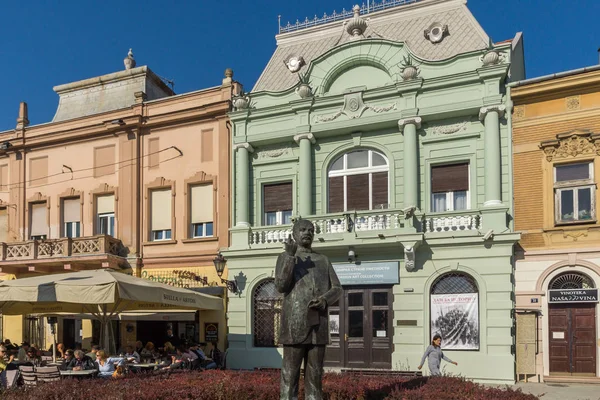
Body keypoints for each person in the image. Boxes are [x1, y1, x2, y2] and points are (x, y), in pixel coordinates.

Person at [275, 219, 342, 400]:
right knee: (290, 376)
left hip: (318, 325)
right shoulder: (285, 257)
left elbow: (337, 288)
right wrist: (290, 258)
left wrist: (324, 300)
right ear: (294, 234)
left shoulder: (323, 260)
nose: (307, 233)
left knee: (315, 376)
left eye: (311, 230)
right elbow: (281, 286)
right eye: (303, 229)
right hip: (294, 325)